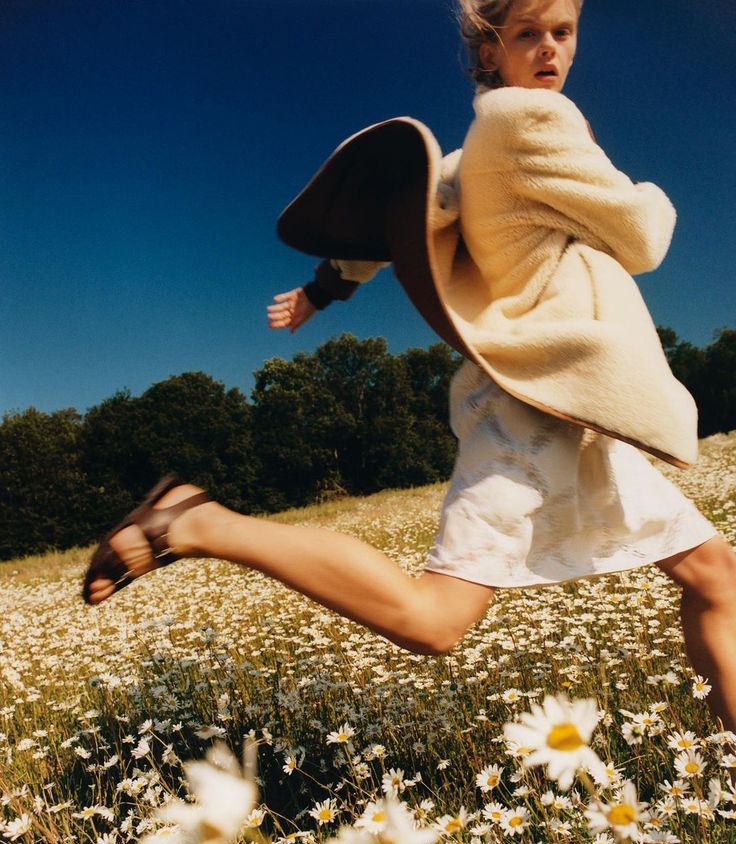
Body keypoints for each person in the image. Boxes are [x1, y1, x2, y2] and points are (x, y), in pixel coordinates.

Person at [83, 0, 736, 735]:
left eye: (563, 32)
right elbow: (642, 237)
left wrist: (321, 289)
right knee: (436, 617)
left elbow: (421, 206)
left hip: (573, 405)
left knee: (714, 575)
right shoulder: (535, 121)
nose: (549, 50)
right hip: (537, 405)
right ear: (490, 53)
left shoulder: (485, 140)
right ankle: (203, 523)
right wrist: (646, 190)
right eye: (527, 35)